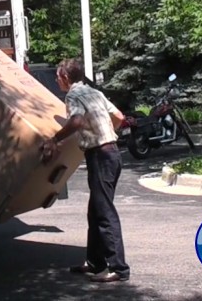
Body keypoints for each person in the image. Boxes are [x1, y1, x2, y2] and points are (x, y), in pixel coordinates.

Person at [40, 58, 131, 283]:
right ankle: (95, 263)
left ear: (64, 78)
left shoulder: (72, 96)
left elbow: (78, 121)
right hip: (111, 153)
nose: (56, 79)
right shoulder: (95, 93)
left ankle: (118, 269)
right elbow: (119, 117)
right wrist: (106, 135)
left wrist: (55, 140)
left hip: (100, 156)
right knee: (95, 211)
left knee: (104, 213)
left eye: (58, 76)